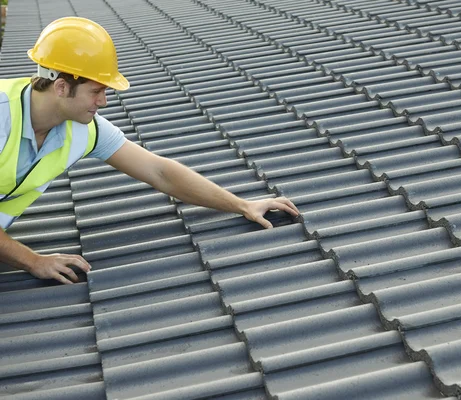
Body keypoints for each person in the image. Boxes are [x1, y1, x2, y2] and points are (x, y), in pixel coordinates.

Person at [0, 17, 299, 285]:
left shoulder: (84, 130)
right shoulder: (2, 116)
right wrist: (34, 261)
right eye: (96, 91)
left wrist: (242, 205)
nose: (103, 102)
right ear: (62, 87)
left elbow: (160, 172)